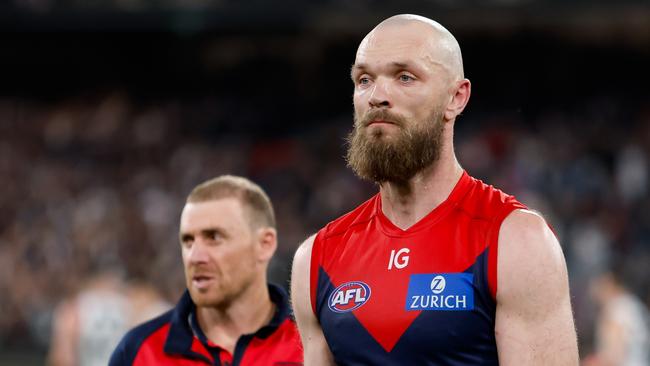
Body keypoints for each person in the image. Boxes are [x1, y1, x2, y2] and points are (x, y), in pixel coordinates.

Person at [291, 14, 579, 365]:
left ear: (456, 98)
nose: (377, 96)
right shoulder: (316, 259)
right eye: (364, 79)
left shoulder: (516, 242)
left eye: (405, 77)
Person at [110, 175, 303, 365]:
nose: (195, 257)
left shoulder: (312, 343)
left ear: (264, 244)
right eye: (188, 241)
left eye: (214, 237)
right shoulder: (138, 353)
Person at [584, 268, 650, 366]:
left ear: (609, 283)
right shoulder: (635, 305)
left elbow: (614, 355)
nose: (594, 291)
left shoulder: (614, 309)